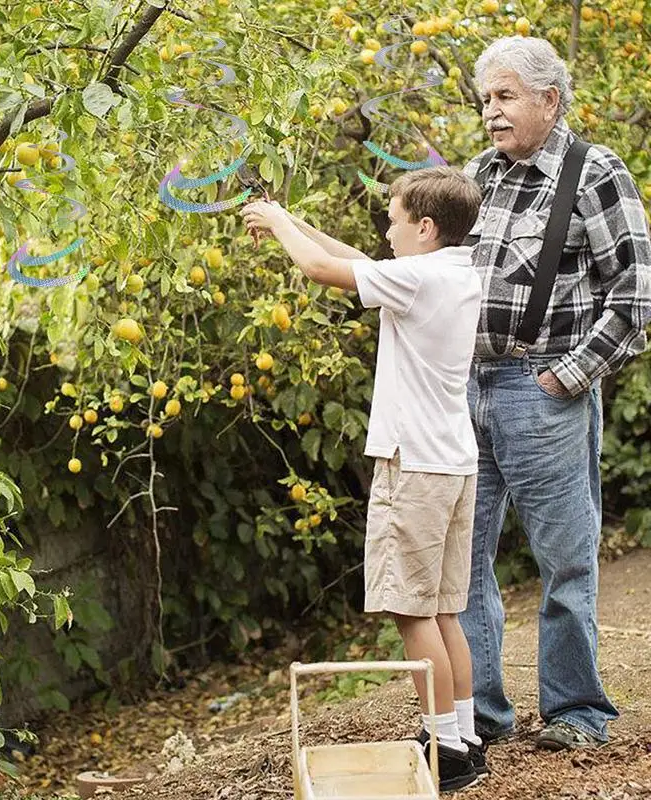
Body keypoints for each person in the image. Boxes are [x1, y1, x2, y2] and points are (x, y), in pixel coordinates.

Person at [240, 166, 488, 792]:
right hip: (455, 463)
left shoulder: (422, 277)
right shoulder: (454, 270)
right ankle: (463, 739)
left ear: (425, 228)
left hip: (415, 467)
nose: (386, 227)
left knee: (410, 614)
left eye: (395, 217)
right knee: (444, 612)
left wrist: (273, 224)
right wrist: (289, 220)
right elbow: (354, 261)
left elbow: (324, 272)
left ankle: (443, 747)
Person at [459, 36, 651, 751]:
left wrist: (564, 377)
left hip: (544, 392)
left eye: (505, 97)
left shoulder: (595, 171)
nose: (491, 113)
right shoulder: (481, 173)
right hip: (467, 389)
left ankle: (577, 711)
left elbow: (635, 297)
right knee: (464, 558)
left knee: (565, 559)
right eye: (486, 99)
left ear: (550, 100)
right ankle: (477, 715)